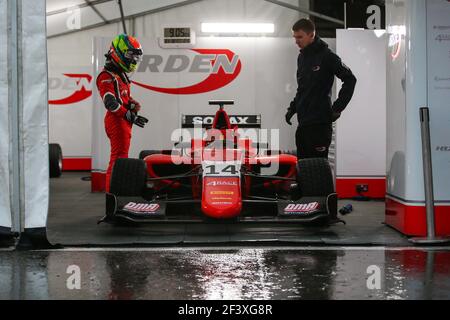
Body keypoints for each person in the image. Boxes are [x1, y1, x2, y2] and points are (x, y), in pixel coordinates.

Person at [285, 19, 357, 159]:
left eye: (300, 37)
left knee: (318, 172)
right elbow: (303, 89)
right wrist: (292, 108)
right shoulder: (302, 58)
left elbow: (350, 79)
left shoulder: (327, 56)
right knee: (303, 171)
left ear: (311, 35)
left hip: (320, 125)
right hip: (303, 124)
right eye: (295, 37)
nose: (296, 41)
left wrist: (338, 108)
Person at [96, 34, 148, 192]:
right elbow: (110, 103)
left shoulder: (119, 74)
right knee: (118, 160)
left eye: (135, 57)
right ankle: (111, 198)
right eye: (130, 55)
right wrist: (128, 114)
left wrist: (131, 103)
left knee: (121, 158)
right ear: (118, 52)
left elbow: (122, 96)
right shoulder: (106, 75)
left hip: (122, 120)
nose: (133, 60)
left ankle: (117, 194)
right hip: (116, 121)